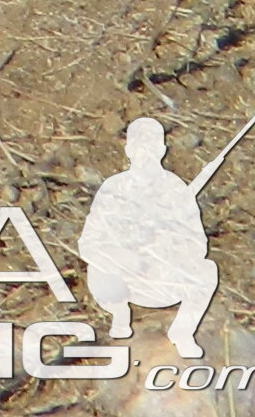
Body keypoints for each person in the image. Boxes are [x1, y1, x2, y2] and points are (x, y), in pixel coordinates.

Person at [79, 117, 223, 357]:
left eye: (151, 146)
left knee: (207, 270)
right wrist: (123, 254)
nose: (145, 153)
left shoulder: (176, 189)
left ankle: (183, 332)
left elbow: (198, 244)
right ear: (128, 150)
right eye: (139, 147)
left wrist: (168, 242)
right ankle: (120, 315)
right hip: (122, 278)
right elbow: (88, 244)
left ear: (162, 150)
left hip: (161, 277)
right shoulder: (113, 187)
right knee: (98, 267)